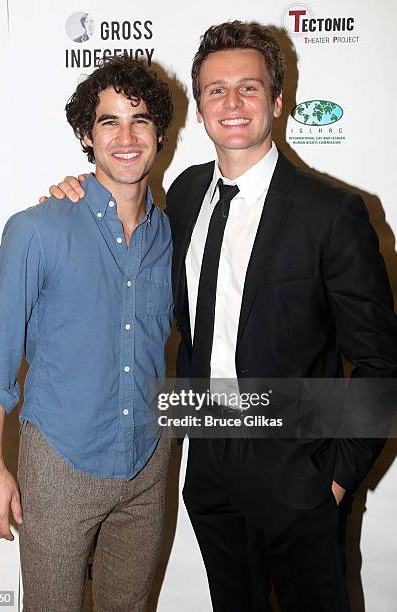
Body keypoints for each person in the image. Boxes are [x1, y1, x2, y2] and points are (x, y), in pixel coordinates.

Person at [45, 21, 397, 612]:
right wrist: (73, 195)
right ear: (201, 109)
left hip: (300, 468)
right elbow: (123, 228)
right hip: (209, 461)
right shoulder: (181, 194)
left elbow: (382, 361)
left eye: (249, 88)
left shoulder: (332, 213)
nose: (231, 103)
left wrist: (332, 478)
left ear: (278, 102)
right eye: (215, 90)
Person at [0, 56, 174, 612]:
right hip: (61, 462)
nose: (126, 137)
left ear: (159, 133)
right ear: (87, 134)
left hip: (149, 463)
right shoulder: (37, 229)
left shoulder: (171, 233)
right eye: (109, 122)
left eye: (140, 120)